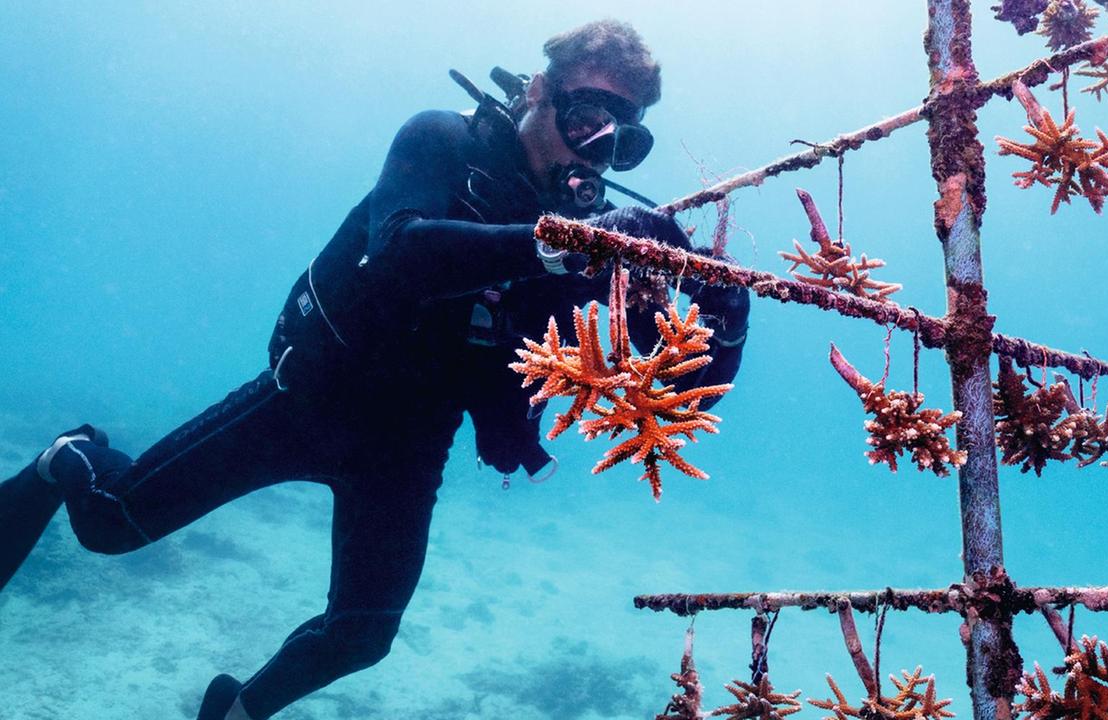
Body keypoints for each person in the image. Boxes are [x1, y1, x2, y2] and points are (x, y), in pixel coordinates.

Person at [0, 19, 749, 720]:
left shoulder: (587, 244)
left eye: (624, 141)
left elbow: (674, 387)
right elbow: (400, 252)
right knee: (109, 528)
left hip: (408, 445)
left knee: (361, 634)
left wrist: (726, 313)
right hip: (311, 396)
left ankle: (234, 711)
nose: (597, 148)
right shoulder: (441, 143)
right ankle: (69, 456)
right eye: (588, 116)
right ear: (537, 92)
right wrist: (556, 241)